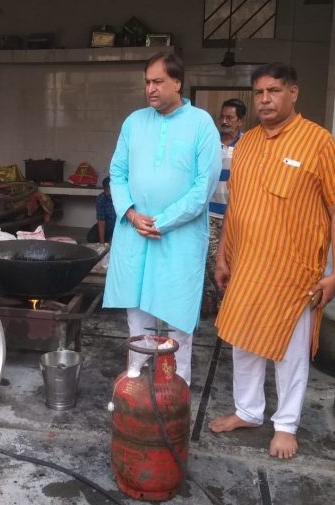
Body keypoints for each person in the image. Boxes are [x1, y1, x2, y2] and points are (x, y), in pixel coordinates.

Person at [208, 63, 335, 459]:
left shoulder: (318, 142)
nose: (265, 99)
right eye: (259, 92)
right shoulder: (248, 142)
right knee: (243, 342)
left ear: (294, 92)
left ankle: (286, 425)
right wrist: (223, 255)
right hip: (247, 266)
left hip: (294, 272)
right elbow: (235, 205)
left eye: (273, 90)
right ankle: (248, 411)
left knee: (290, 351)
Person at [103, 52, 222, 385]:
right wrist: (130, 213)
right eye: (147, 82)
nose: (150, 89)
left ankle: (177, 377)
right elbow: (118, 171)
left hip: (178, 234)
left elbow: (204, 187)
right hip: (135, 229)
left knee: (177, 309)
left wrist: (163, 221)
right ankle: (136, 369)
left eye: (158, 82)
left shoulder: (201, 124)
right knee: (136, 304)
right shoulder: (134, 122)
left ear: (177, 82)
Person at [202, 98, 246, 314]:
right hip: (209, 213)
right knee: (212, 262)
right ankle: (218, 302)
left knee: (231, 262)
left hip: (235, 217)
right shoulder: (211, 142)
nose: (224, 121)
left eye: (230, 117)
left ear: (240, 121)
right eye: (223, 116)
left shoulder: (248, 145)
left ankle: (226, 306)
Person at [86, 176, 116, 244]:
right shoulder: (101, 199)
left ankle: (111, 239)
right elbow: (101, 222)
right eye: (107, 191)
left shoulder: (121, 198)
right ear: (104, 189)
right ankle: (107, 239)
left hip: (118, 227)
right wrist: (102, 243)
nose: (109, 194)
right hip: (107, 225)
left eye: (111, 190)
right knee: (91, 238)